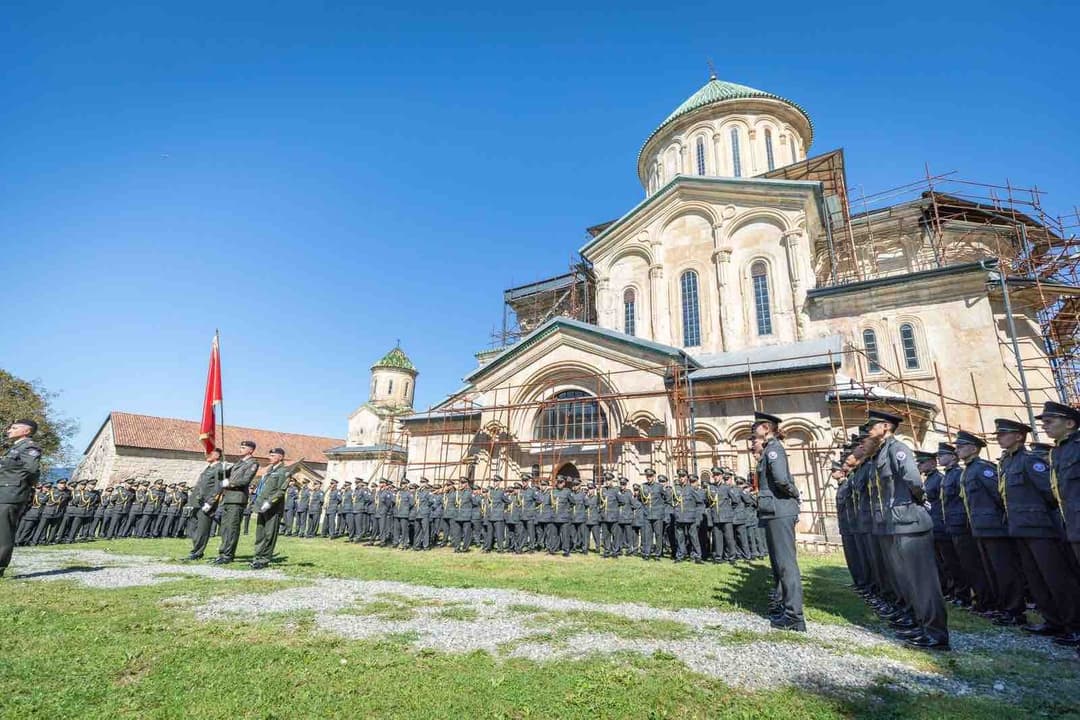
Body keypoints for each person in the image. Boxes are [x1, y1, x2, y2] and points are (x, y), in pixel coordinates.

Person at [867, 410, 949, 650]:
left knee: (924, 582)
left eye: (872, 426)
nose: (870, 431)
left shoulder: (897, 448)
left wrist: (919, 499)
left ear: (885, 427)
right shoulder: (883, 451)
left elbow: (913, 479)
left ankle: (937, 634)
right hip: (899, 522)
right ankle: (922, 624)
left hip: (911, 521)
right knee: (910, 580)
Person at [955, 429, 1027, 625]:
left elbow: (999, 495)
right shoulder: (969, 470)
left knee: (1005, 570)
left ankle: (1015, 611)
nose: (957, 450)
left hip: (994, 527)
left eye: (961, 447)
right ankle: (1001, 607)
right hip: (980, 528)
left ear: (973, 448)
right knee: (991, 571)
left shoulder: (982, 469)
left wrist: (1001, 520)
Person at [753, 411, 805, 632]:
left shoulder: (774, 450)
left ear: (766, 427)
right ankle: (785, 606)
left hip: (780, 509)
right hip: (774, 510)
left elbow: (782, 480)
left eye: (755, 427)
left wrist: (794, 494)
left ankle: (795, 616)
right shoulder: (769, 450)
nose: (753, 431)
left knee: (786, 565)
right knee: (778, 564)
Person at [0, 419, 43, 578]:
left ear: (26, 431)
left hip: (11, 494)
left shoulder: (29, 447)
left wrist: (17, 482)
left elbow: (32, 469)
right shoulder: (15, 448)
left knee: (3, 532)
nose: (9, 430)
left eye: (14, 427)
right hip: (4, 492)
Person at [212, 440, 259, 565]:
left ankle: (228, 554)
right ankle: (223, 552)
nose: (240, 449)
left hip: (237, 498)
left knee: (232, 528)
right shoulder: (238, 463)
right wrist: (222, 468)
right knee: (225, 527)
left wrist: (230, 483)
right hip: (228, 498)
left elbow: (245, 480)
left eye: (243, 447)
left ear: (251, 450)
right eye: (240, 446)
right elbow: (225, 475)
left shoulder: (252, 463)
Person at [251, 447, 289, 569]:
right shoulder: (270, 471)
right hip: (262, 506)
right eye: (270, 455)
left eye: (273, 455)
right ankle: (257, 557)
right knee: (260, 533)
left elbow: (280, 491)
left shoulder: (284, 472)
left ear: (280, 457)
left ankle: (264, 559)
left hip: (273, 508)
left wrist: (269, 502)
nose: (270, 457)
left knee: (269, 534)